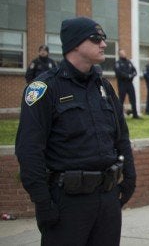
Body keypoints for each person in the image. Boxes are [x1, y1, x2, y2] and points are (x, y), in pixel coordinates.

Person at [15, 17, 136, 245]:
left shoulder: (104, 86)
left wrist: (130, 177)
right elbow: (29, 150)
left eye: (103, 39)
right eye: (96, 39)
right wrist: (42, 202)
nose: (103, 44)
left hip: (107, 198)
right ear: (75, 43)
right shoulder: (44, 88)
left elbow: (121, 135)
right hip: (68, 202)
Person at [114, 49, 140, 119]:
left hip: (130, 84)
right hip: (122, 84)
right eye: (121, 53)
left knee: (133, 99)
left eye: (124, 52)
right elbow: (119, 73)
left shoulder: (129, 62)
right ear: (119, 54)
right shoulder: (118, 63)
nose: (123, 54)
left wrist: (131, 75)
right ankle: (119, 116)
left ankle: (135, 115)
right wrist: (128, 76)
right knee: (121, 100)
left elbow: (135, 71)